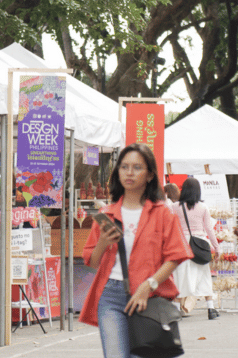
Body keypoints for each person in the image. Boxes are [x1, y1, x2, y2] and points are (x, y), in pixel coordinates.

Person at [79, 143, 193, 358]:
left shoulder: (162, 214)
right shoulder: (107, 214)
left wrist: (148, 285)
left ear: (150, 175)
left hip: (148, 295)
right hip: (111, 296)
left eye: (137, 167)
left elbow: (175, 256)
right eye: (124, 167)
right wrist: (103, 242)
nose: (129, 173)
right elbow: (93, 262)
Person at [170, 177, 221, 320]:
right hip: (199, 244)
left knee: (181, 277)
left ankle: (176, 310)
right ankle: (210, 309)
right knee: (204, 276)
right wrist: (216, 248)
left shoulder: (174, 207)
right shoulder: (203, 207)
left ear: (183, 190)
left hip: (181, 245)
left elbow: (170, 227)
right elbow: (209, 230)